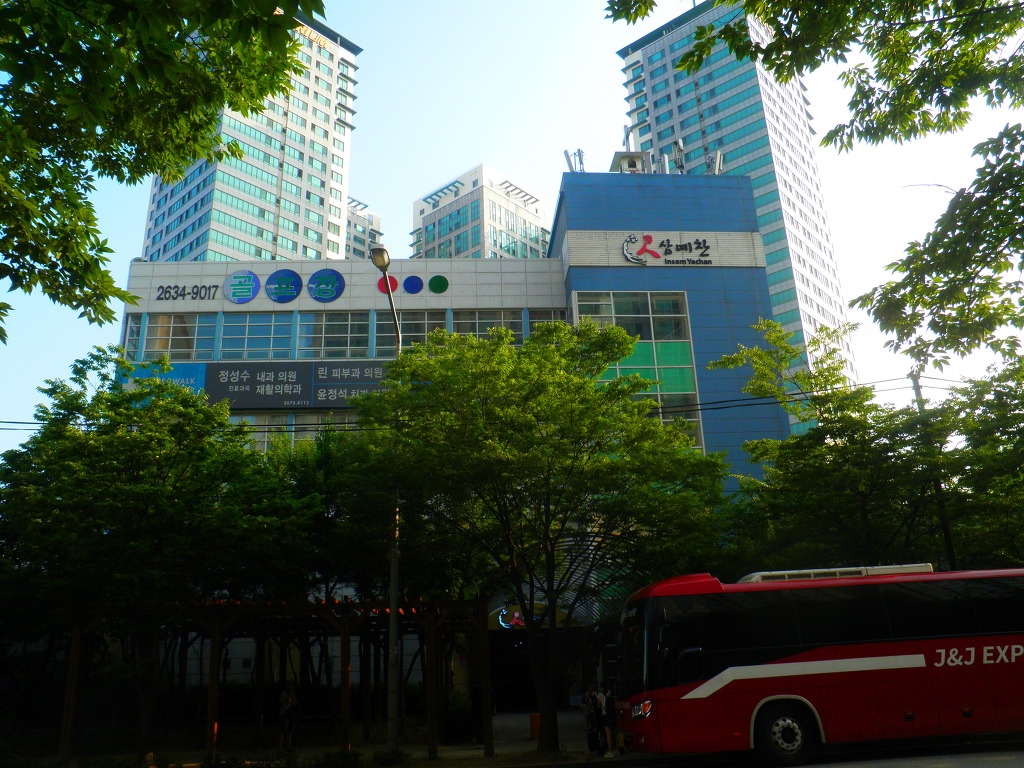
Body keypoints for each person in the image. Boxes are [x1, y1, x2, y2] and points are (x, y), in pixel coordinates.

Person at [581, 682, 605, 756]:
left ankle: (598, 748)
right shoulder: (585, 696)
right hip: (590, 717)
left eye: (594, 687)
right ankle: (592, 748)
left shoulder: (596, 694)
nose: (593, 688)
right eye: (591, 687)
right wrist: (587, 705)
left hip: (597, 715)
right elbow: (582, 706)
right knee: (591, 733)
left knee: (597, 733)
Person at [279, 680, 298, 751]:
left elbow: (295, 702)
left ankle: (289, 747)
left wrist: (291, 701)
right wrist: (290, 700)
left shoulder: (292, 694)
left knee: (290, 730)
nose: (291, 687)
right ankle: (280, 747)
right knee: (283, 730)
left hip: (290, 713)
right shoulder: (284, 693)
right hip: (284, 714)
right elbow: (287, 701)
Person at [600, 681, 617, 757]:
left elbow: (599, 705)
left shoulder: (600, 694)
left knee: (608, 734)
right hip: (613, 715)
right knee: (614, 733)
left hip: (606, 716)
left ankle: (610, 751)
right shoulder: (611, 693)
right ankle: (617, 749)